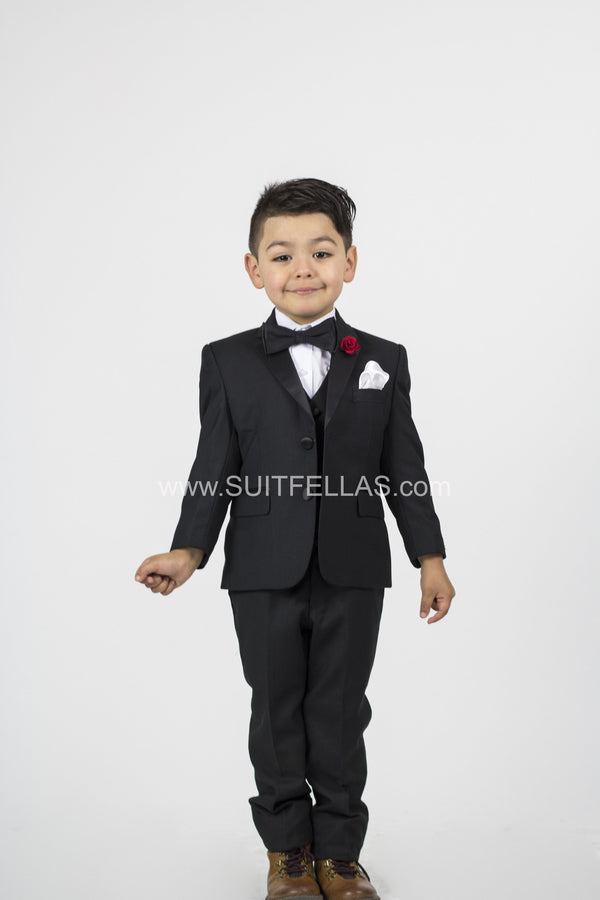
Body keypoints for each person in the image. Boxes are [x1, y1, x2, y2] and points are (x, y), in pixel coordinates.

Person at [135, 177, 455, 900]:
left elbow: (404, 467)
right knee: (276, 709)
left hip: (354, 568)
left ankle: (340, 855)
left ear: (350, 262)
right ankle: (288, 853)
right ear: (255, 269)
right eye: (282, 255)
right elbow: (213, 465)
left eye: (321, 252)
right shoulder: (227, 359)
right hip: (261, 568)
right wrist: (188, 551)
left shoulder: (383, 358)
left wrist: (430, 558)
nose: (302, 269)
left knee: (340, 711)